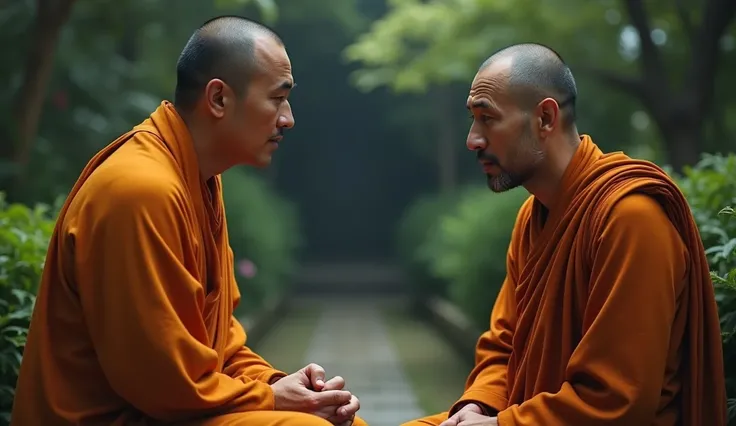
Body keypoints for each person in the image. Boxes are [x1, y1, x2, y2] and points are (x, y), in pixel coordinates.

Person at [11, 15, 365, 426]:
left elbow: (220, 346)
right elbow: (159, 379)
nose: (288, 118)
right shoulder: (140, 190)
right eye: (276, 98)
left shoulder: (199, 180)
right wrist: (269, 398)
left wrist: (283, 384)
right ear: (218, 99)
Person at [402, 43, 727, 426]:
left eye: (487, 119)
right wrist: (480, 406)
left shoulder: (631, 218)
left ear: (544, 118)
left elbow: (618, 399)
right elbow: (505, 346)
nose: (473, 139)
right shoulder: (533, 216)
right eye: (473, 120)